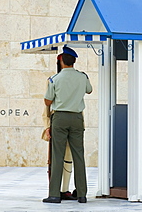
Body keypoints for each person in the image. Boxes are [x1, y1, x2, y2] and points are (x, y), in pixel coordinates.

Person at [42, 46, 92, 204]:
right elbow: (89, 90)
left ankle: (55, 195)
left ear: (61, 61)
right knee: (79, 156)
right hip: (77, 118)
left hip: (60, 118)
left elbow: (48, 101)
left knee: (58, 156)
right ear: (74, 61)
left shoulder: (54, 79)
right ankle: (82, 194)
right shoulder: (83, 77)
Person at [42, 53, 76, 200]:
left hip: (61, 121)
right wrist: (46, 125)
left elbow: (47, 104)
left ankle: (63, 190)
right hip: (69, 121)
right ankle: (58, 189)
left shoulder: (55, 80)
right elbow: (47, 108)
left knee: (66, 157)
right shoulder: (55, 80)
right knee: (58, 157)